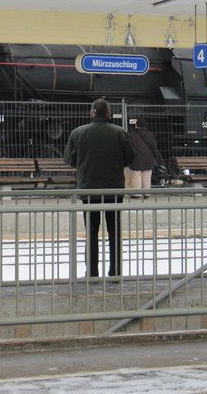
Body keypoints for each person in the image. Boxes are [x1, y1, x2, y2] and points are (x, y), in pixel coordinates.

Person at [64, 99, 135, 278]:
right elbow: (129, 158)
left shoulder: (78, 133)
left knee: (92, 232)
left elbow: (70, 160)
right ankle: (115, 272)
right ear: (108, 113)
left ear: (92, 112)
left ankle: (92, 273)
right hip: (114, 190)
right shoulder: (120, 132)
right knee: (114, 232)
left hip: (89, 190)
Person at [125, 118, 162, 191]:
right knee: (147, 177)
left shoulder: (131, 135)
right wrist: (157, 159)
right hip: (148, 158)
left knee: (136, 176)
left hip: (136, 158)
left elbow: (128, 147)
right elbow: (154, 148)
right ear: (145, 126)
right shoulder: (150, 135)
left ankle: (137, 194)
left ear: (136, 125)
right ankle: (146, 193)